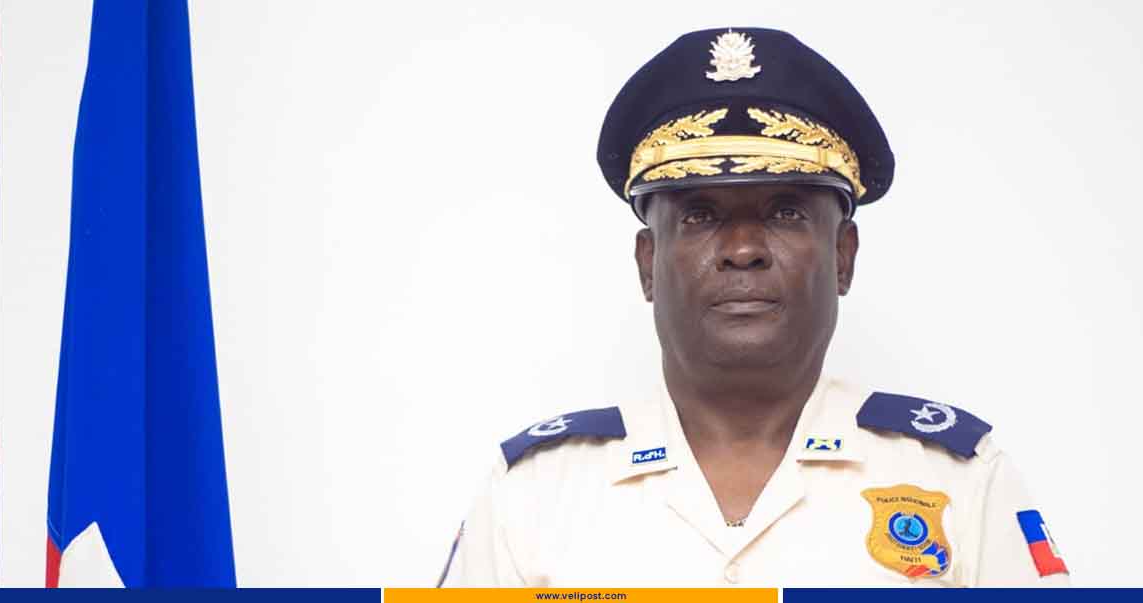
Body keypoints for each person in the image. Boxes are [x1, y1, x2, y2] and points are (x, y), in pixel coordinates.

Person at [437, 27, 1069, 587]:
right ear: (647, 263)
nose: (743, 249)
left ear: (843, 256)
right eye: (700, 215)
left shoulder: (959, 480)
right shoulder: (533, 494)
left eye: (786, 212)